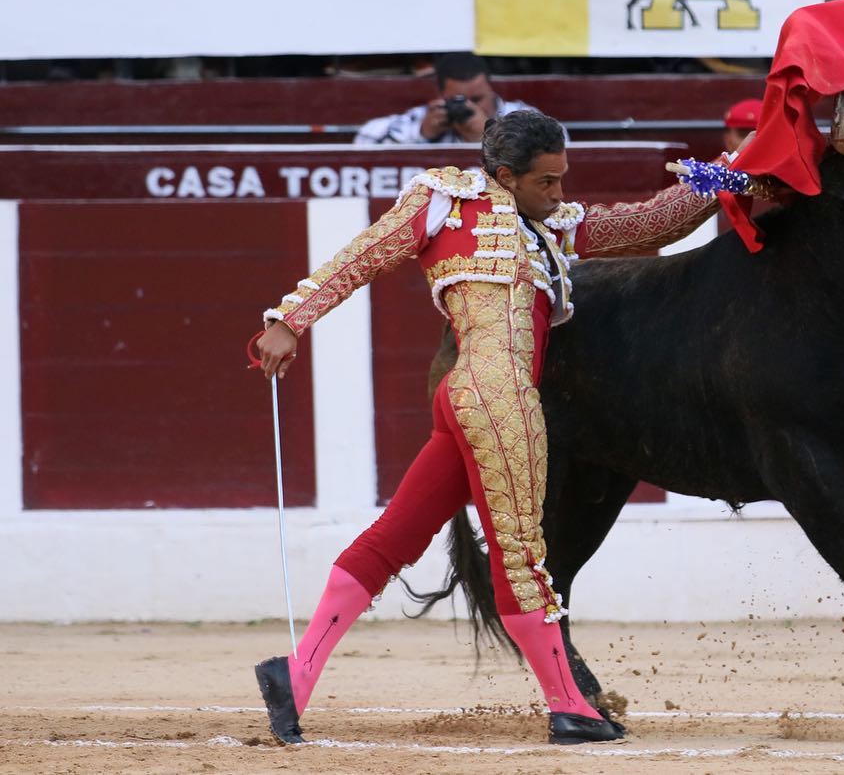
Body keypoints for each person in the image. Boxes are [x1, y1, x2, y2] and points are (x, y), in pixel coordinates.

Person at [253, 110, 751, 746]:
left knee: (394, 539)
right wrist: (289, 319)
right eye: (547, 182)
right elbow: (362, 257)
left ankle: (295, 675)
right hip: (499, 400)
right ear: (507, 175)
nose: (559, 193)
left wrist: (734, 167)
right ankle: (569, 707)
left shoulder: (550, 226)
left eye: (562, 178)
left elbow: (651, 222)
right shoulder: (442, 201)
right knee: (521, 558)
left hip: (464, 401)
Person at [354, 52, 540, 145]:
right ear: (442, 95)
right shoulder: (428, 117)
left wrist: (489, 138)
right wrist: (421, 134)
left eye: (477, 99)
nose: (469, 106)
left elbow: (548, 151)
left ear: (491, 89)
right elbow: (365, 139)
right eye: (459, 100)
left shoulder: (522, 117)